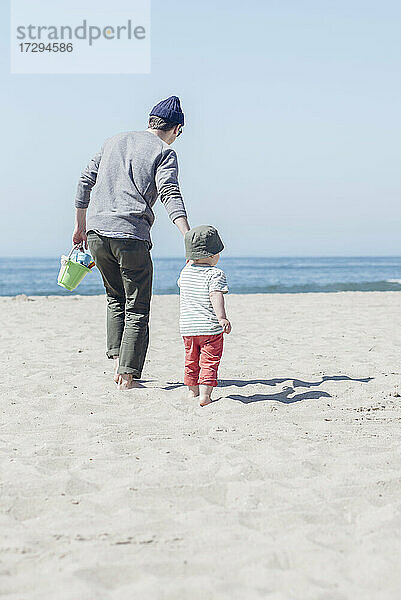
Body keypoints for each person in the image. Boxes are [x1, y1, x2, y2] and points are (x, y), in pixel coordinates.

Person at [72, 96, 190, 389]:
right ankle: (126, 376)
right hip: (131, 234)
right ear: (177, 129)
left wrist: (80, 226)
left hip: (97, 233)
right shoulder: (164, 152)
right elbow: (169, 192)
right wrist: (187, 234)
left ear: (150, 121)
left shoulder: (113, 141)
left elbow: (84, 181)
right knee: (137, 307)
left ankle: (118, 363)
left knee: (115, 299)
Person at [177, 225, 231, 406]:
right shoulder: (216, 274)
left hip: (188, 328)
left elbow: (183, 279)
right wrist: (222, 318)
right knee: (209, 361)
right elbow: (216, 295)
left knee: (191, 360)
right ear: (211, 255)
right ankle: (205, 396)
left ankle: (192, 392)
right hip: (209, 329)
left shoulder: (185, 273)